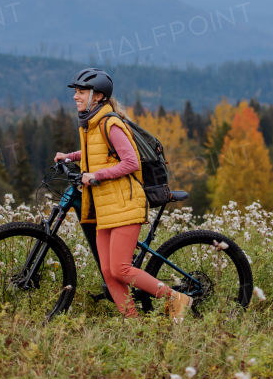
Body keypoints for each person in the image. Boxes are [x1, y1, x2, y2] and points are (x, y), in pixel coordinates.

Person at [55, 68, 193, 321]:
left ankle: (176, 298)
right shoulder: (91, 123)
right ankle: (134, 326)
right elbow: (100, 153)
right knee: (109, 273)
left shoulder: (110, 123)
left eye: (81, 92)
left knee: (120, 268)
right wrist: (71, 156)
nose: (75, 96)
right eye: (75, 91)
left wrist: (97, 176)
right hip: (106, 205)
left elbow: (130, 162)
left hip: (125, 203)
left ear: (97, 96)